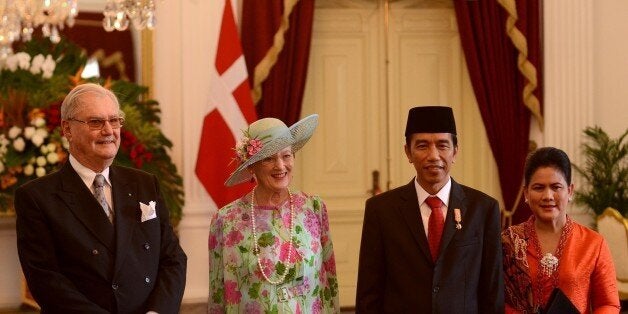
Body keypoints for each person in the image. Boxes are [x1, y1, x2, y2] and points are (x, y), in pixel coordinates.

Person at [15, 83, 187, 314]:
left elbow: (172, 258)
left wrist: (157, 312)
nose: (109, 130)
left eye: (114, 121)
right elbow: (45, 279)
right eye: (96, 122)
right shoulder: (37, 197)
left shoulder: (145, 184)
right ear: (67, 129)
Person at [356, 106, 504, 313]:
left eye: (442, 145)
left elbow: (492, 291)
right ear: (408, 152)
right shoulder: (381, 210)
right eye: (422, 146)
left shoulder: (483, 209)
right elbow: (369, 291)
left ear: (455, 152)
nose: (433, 155)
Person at [207, 114, 339, 313]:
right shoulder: (226, 220)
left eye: (286, 155)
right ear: (252, 166)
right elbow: (217, 293)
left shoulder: (314, 208)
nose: (280, 166)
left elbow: (329, 283)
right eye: (269, 158)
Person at [502, 147, 620, 313]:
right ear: (526, 193)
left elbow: (608, 303)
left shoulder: (593, 243)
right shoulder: (508, 242)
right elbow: (498, 301)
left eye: (556, 187)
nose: (548, 196)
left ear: (570, 191)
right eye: (538, 187)